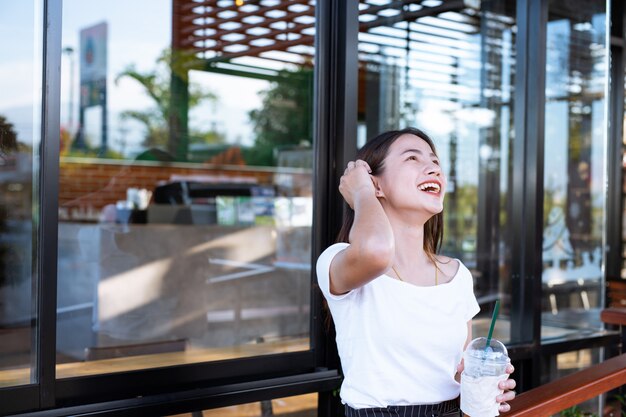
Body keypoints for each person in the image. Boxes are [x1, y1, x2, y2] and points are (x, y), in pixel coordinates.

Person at [316, 127, 516, 417]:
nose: (433, 169)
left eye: (435, 162)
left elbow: (455, 376)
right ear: (377, 186)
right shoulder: (339, 260)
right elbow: (376, 250)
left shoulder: (456, 275)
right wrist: (361, 191)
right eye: (413, 158)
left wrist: (483, 388)